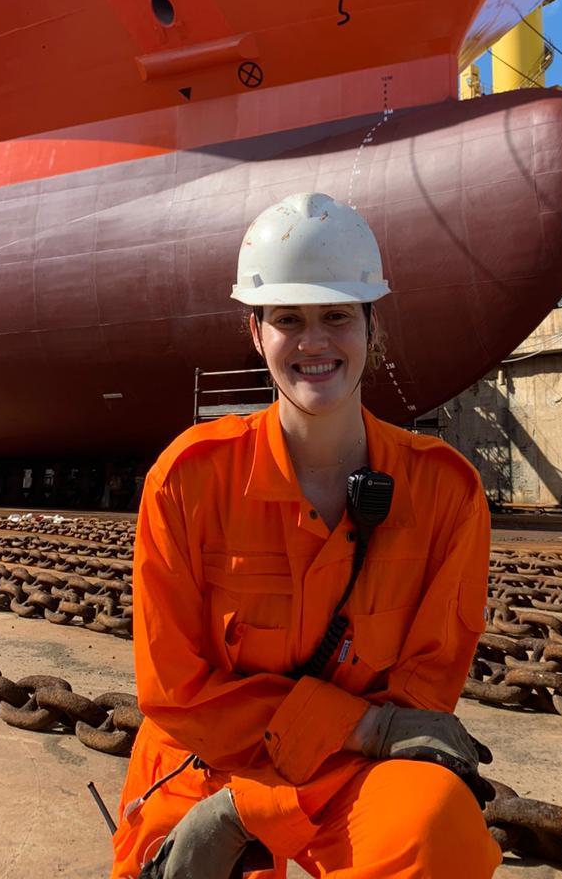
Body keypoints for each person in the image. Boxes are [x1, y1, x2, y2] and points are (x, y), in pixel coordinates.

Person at [112, 192, 501, 879]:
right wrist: (360, 727)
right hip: (202, 763)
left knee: (437, 826)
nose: (314, 342)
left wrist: (252, 809)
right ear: (255, 332)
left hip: (349, 774)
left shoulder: (446, 494)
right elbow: (177, 694)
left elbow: (418, 702)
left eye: (337, 317)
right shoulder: (188, 482)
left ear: (372, 329)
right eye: (289, 319)